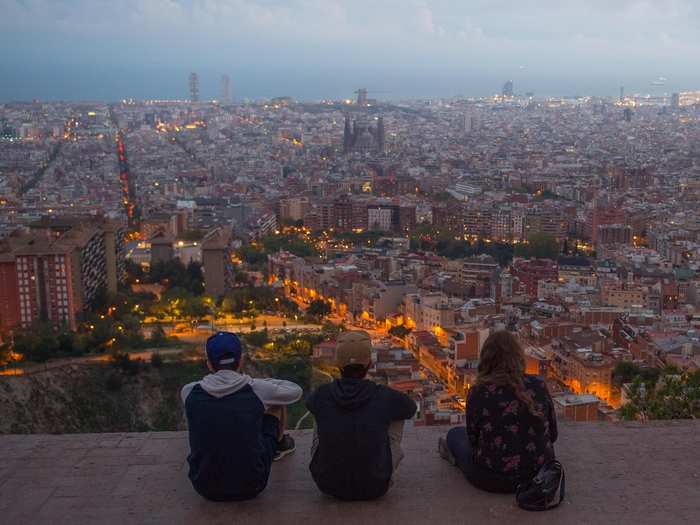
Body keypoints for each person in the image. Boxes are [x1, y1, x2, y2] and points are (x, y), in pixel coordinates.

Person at [181, 331, 302, 501]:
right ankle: (280, 446)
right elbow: (295, 391)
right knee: (276, 403)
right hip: (252, 485)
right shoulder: (255, 389)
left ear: (209, 364)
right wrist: (264, 383)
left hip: (204, 486)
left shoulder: (189, 391)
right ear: (241, 360)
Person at [438, 330, 558, 493]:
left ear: (486, 359)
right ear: (518, 356)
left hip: (493, 478)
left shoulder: (480, 392)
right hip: (539, 475)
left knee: (455, 435)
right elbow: (553, 434)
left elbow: (473, 439)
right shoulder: (538, 385)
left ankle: (455, 458)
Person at [305, 330, 417, 500]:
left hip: (328, 485)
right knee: (397, 411)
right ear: (369, 365)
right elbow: (410, 408)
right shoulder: (384, 396)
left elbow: (309, 404)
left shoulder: (322, 394)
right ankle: (381, 466)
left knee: (319, 410)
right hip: (376, 486)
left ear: (338, 365)